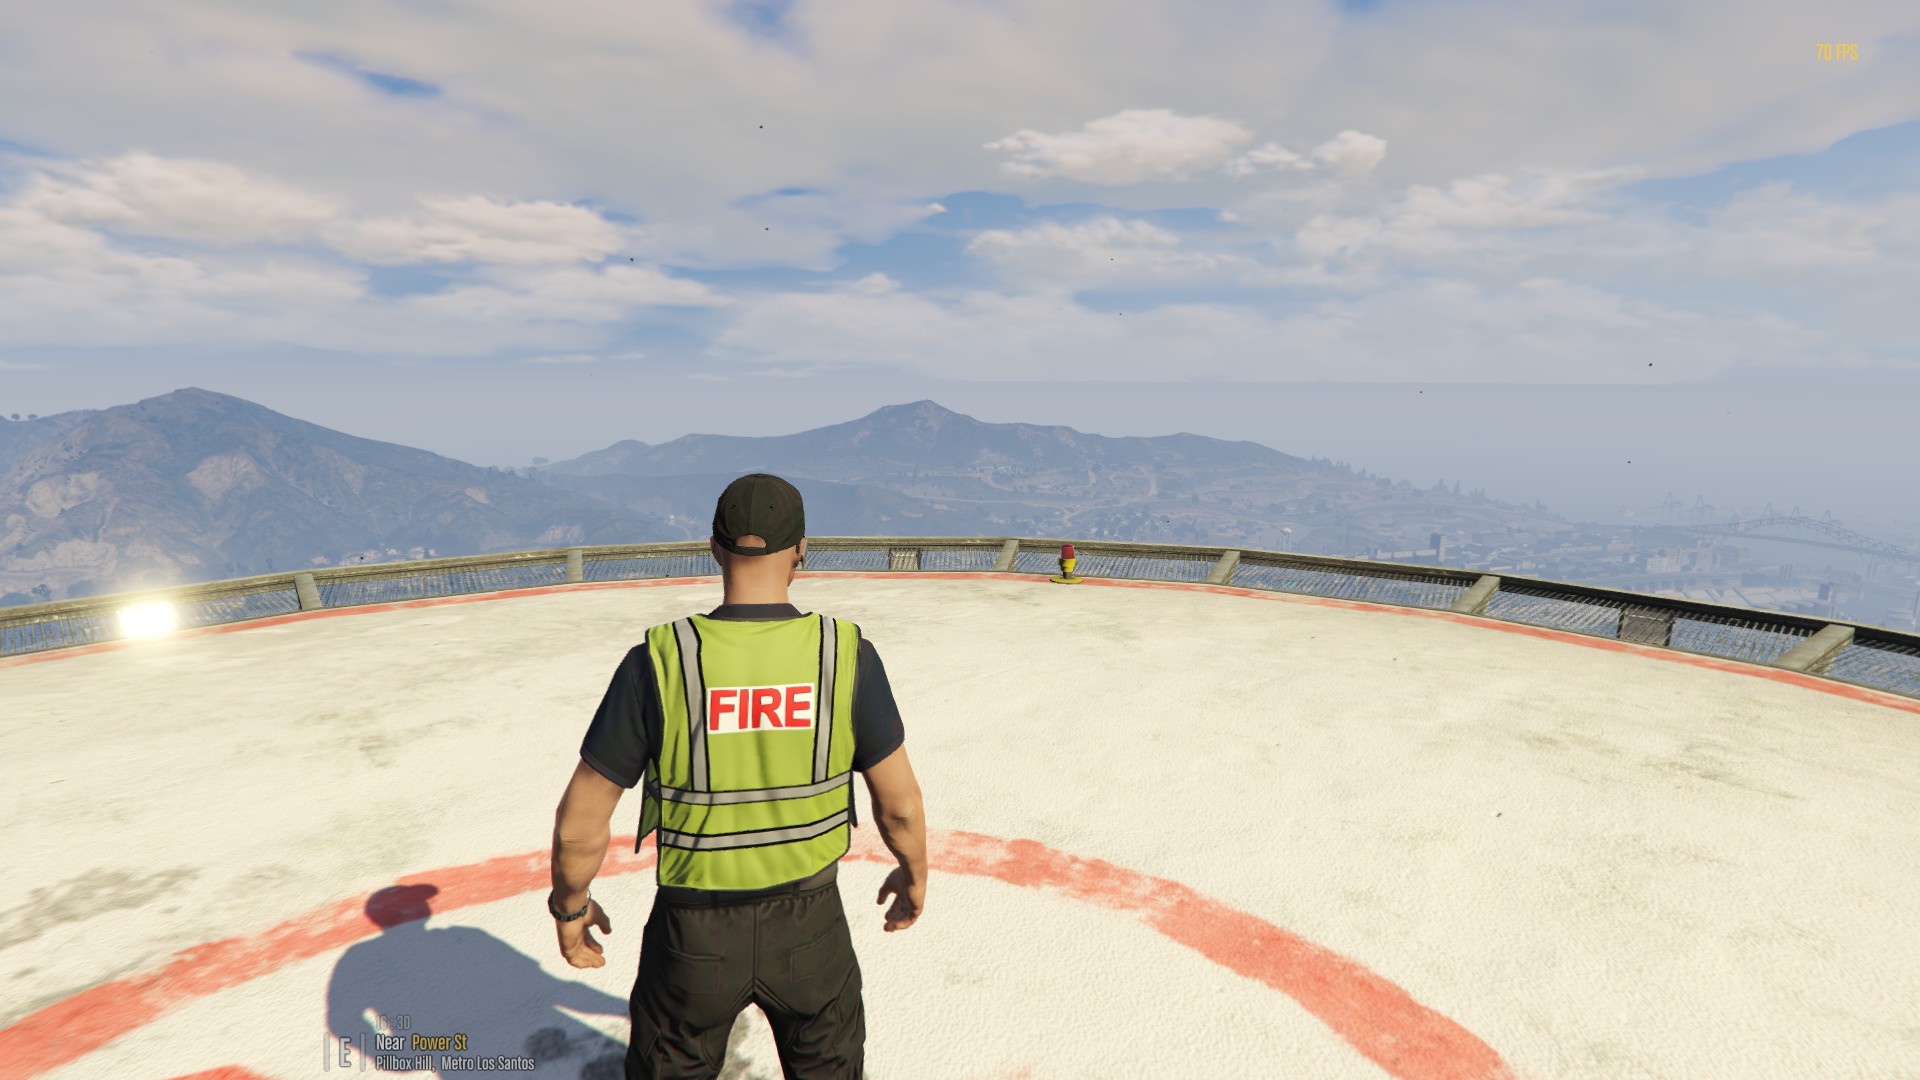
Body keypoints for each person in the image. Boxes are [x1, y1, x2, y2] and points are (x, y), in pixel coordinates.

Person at [547, 472, 929, 1080]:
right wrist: (914, 874)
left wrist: (571, 911)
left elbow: (579, 823)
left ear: (715, 548)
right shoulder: (845, 654)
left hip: (690, 934)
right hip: (812, 927)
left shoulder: (659, 661)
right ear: (802, 549)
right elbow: (899, 806)